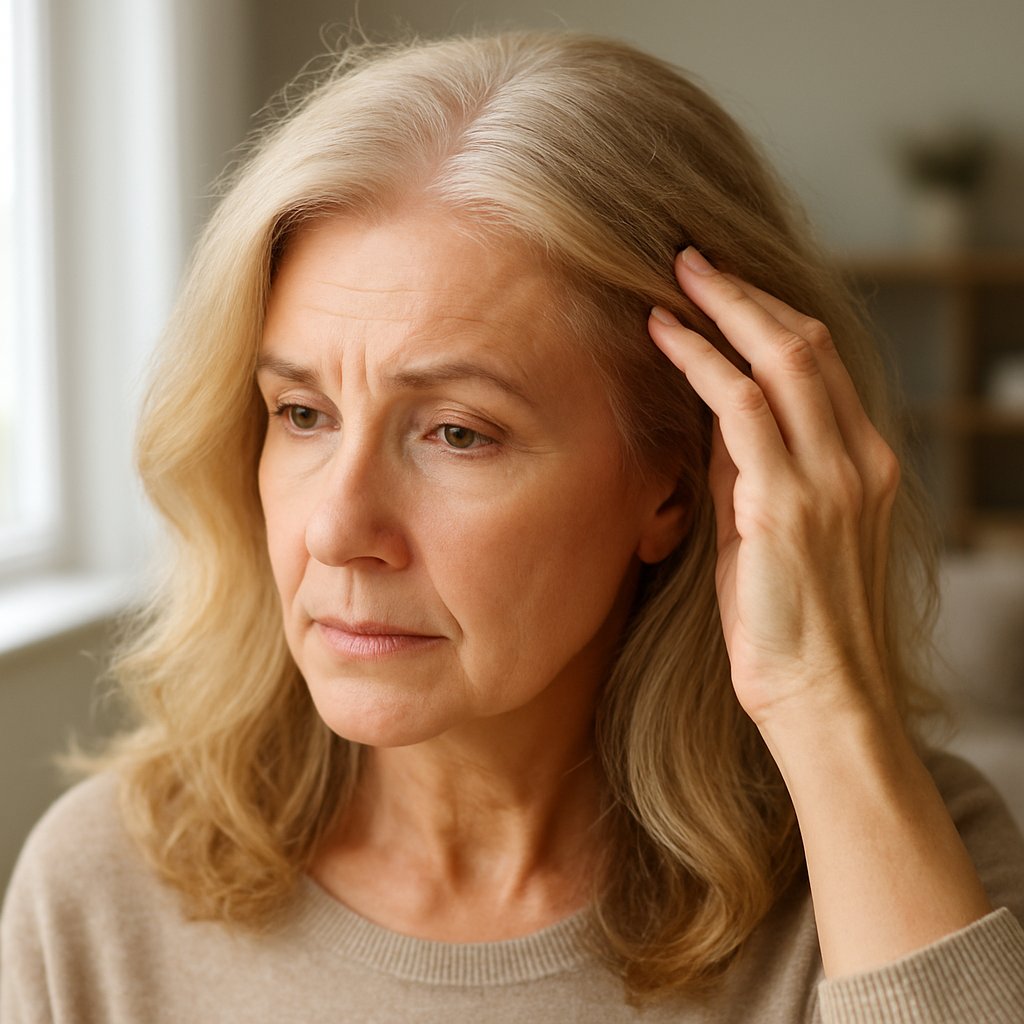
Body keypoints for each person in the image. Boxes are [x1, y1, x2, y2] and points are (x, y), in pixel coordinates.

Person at [2, 31, 1022, 1024]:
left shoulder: (916, 865)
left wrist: (825, 709)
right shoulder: (104, 891)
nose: (338, 529)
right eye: (302, 414)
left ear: (675, 486)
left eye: (457, 432)